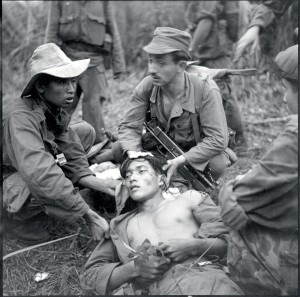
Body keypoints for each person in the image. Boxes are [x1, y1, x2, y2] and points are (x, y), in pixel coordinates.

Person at [3, 43, 118, 246]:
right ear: (40, 86)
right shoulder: (20, 117)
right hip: (8, 176)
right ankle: (13, 220)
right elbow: (41, 173)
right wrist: (88, 215)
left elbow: (71, 152)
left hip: (30, 164)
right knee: (41, 182)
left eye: (73, 82)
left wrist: (104, 185)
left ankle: (60, 194)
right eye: (62, 83)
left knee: (84, 132)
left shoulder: (52, 106)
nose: (71, 90)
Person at [81, 155, 244, 295]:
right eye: (128, 175)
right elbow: (91, 275)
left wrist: (195, 246)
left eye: (141, 171)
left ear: (161, 180)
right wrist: (134, 269)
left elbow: (235, 241)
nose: (132, 178)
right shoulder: (121, 225)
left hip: (209, 283)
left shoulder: (189, 199)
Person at [218, 45, 298, 295]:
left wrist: (231, 187)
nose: (284, 98)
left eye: (286, 89)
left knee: (240, 230)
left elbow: (238, 202)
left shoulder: (295, 137)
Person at [115, 27, 235, 191]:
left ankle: (179, 181)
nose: (152, 70)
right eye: (150, 61)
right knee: (120, 149)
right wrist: (135, 156)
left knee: (216, 164)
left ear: (181, 65)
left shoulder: (204, 89)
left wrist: (182, 160)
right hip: (159, 149)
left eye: (161, 63)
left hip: (193, 152)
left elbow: (218, 139)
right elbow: (129, 125)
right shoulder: (148, 85)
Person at [45, 1, 126, 143]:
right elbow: (51, 31)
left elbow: (113, 31)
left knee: (94, 110)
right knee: (59, 109)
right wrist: (47, 66)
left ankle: (94, 150)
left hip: (94, 62)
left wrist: (118, 64)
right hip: (67, 61)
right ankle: (52, 145)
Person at [185, 1, 247, 151]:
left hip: (214, 52)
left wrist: (190, 48)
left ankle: (239, 142)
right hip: (207, 51)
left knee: (224, 94)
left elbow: (206, 21)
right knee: (209, 95)